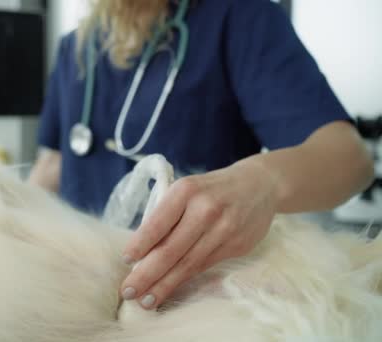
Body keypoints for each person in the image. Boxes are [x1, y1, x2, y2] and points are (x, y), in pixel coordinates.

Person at [28, 0, 374, 311]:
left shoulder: (240, 18)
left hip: (191, 298)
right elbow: (53, 165)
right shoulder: (74, 47)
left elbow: (348, 160)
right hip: (80, 288)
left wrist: (263, 181)